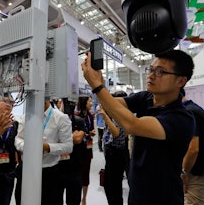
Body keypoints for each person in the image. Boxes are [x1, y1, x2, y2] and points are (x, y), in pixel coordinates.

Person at [81, 49, 195, 205]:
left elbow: (131, 125)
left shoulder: (181, 119)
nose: (151, 75)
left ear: (180, 81)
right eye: (151, 69)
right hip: (136, 194)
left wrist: (97, 86)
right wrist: (100, 81)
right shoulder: (146, 98)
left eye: (160, 72)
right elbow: (112, 106)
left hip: (163, 198)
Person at [14, 99, 73, 205]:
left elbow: (68, 146)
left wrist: (47, 147)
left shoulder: (60, 118)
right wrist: (29, 147)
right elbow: (18, 139)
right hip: (27, 170)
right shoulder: (26, 116)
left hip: (49, 172)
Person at [180, 89, 204, 205]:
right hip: (201, 172)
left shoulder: (189, 112)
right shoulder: (194, 108)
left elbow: (193, 149)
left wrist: (184, 173)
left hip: (194, 176)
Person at [100, 91, 130, 205]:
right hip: (111, 154)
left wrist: (105, 117)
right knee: (109, 187)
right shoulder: (114, 115)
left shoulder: (121, 116)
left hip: (117, 155)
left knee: (114, 189)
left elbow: (117, 133)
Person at [57, 98, 86, 205]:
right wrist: (70, 137)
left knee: (74, 200)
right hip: (58, 168)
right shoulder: (56, 120)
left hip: (75, 169)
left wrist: (61, 138)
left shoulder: (79, 121)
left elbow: (78, 139)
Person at [0, 94, 20, 205]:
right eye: (5, 101)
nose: (8, 105)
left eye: (11, 103)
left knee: (5, 201)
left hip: (9, 170)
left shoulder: (15, 125)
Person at [77, 96, 96, 205]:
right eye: (89, 101)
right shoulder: (76, 117)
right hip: (78, 150)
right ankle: (78, 196)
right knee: (78, 174)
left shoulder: (90, 116)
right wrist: (87, 133)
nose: (91, 103)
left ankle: (84, 198)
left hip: (88, 149)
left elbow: (90, 130)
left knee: (86, 174)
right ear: (84, 103)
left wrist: (90, 133)